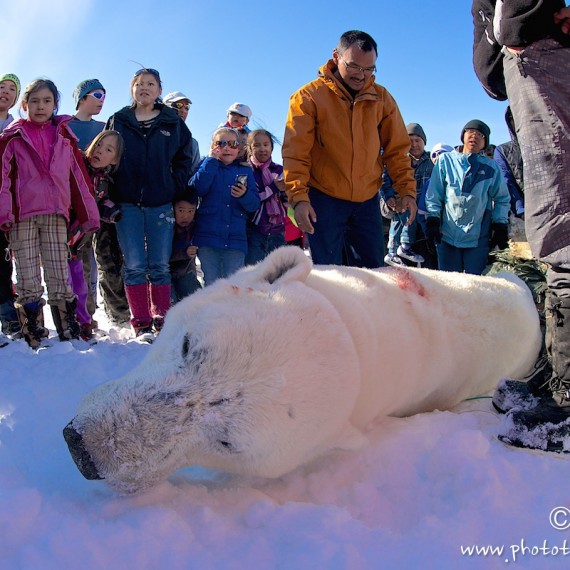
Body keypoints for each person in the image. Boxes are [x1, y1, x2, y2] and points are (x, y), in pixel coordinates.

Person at [472, 1, 570, 449]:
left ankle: (567, 400)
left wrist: (520, 23)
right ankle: (557, 373)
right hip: (524, 65)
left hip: (545, 52)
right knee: (551, 222)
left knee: (563, 226)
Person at [282, 30, 416, 268]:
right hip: (323, 200)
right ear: (336, 56)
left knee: (374, 272)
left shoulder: (382, 99)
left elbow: (397, 151)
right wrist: (299, 198)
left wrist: (406, 190)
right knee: (330, 276)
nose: (361, 75)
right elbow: (296, 154)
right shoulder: (307, 97)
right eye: (354, 66)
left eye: (369, 69)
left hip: (366, 202)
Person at [0, 79, 99, 348]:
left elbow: (78, 177)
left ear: (56, 104)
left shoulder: (64, 137)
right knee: (27, 275)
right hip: (23, 217)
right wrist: (4, 214)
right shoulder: (12, 137)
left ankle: (68, 330)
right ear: (24, 105)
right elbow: (3, 180)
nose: (40, 106)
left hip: (56, 215)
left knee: (59, 272)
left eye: (46, 101)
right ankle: (34, 333)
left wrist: (88, 213)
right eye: (34, 101)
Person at [106, 68, 193, 342]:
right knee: (133, 264)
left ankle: (162, 320)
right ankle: (141, 323)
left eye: (150, 84)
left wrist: (171, 185)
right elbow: (106, 156)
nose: (144, 88)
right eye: (139, 84)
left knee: (159, 264)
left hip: (160, 203)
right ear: (132, 89)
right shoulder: (118, 120)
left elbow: (184, 158)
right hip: (127, 202)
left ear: (158, 90)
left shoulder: (171, 121)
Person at [424, 120, 510, 275]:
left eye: (480, 135)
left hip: (478, 239)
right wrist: (433, 220)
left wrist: (500, 225)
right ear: (463, 136)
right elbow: (434, 194)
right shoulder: (446, 161)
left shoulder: (491, 168)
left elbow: (502, 198)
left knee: (476, 285)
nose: (474, 136)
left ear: (485, 143)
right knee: (449, 285)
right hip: (447, 235)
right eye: (470, 131)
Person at [68, 130, 124, 340]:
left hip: (80, 239)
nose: (100, 151)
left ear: (115, 159)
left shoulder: (104, 180)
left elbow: (100, 203)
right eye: (99, 145)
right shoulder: (76, 163)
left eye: (108, 150)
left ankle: (84, 321)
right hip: (60, 232)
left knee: (81, 280)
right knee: (61, 281)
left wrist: (112, 212)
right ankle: (67, 320)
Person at [189, 127, 260, 285]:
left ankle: (232, 311)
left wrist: (244, 195)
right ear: (212, 146)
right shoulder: (206, 165)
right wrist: (211, 161)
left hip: (236, 240)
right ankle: (210, 311)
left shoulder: (245, 171)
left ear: (239, 148)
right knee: (211, 283)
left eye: (232, 143)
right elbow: (197, 188)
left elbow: (254, 205)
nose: (226, 148)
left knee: (235, 285)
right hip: (207, 239)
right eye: (220, 143)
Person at [67, 78, 107, 336]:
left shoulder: (105, 127)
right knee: (70, 260)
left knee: (89, 259)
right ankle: (70, 314)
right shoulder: (63, 125)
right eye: (97, 94)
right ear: (81, 97)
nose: (102, 100)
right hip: (67, 203)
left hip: (97, 202)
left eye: (104, 95)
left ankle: (87, 316)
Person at [382, 122, 434, 267]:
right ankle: (395, 251)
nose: (414, 144)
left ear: (424, 142)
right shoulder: (397, 162)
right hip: (399, 212)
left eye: (417, 140)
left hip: (424, 223)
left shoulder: (432, 162)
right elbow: (384, 181)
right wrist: (390, 200)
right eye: (409, 141)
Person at [0, 73, 22, 344]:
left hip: (5, 204)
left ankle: (8, 319)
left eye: (11, 90)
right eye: (1, 87)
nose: (5, 92)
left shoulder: (16, 128)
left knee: (2, 266)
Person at [245, 129, 287, 265]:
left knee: (278, 275)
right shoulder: (246, 171)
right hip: (254, 231)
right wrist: (274, 187)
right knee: (254, 274)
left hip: (277, 230)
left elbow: (287, 201)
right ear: (250, 149)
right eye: (256, 145)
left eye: (266, 144)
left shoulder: (279, 170)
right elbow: (252, 200)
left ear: (272, 147)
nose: (262, 149)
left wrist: (285, 191)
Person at [170, 189, 201, 303]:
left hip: (186, 272)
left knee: (195, 301)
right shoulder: (166, 226)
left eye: (190, 211)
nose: (185, 216)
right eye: (181, 210)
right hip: (165, 274)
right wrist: (184, 252)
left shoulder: (195, 225)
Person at [493, 107, 525, 218]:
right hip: (529, 214)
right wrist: (522, 211)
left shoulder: (555, 143)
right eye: (513, 117)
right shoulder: (503, 151)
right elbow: (508, 183)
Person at [163, 91, 201, 175]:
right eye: (178, 105)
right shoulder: (150, 132)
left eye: (187, 107)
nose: (183, 110)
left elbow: (193, 176)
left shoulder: (193, 143)